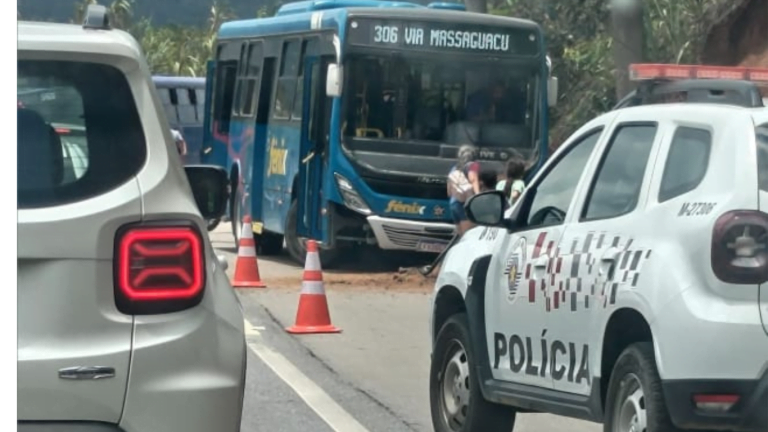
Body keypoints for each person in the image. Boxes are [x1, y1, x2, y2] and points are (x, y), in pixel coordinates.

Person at [447, 144, 480, 236]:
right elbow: (473, 180)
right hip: (465, 205)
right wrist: (478, 196)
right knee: (467, 236)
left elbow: (449, 192)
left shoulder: (454, 168)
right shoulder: (473, 165)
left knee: (459, 236)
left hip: (453, 204)